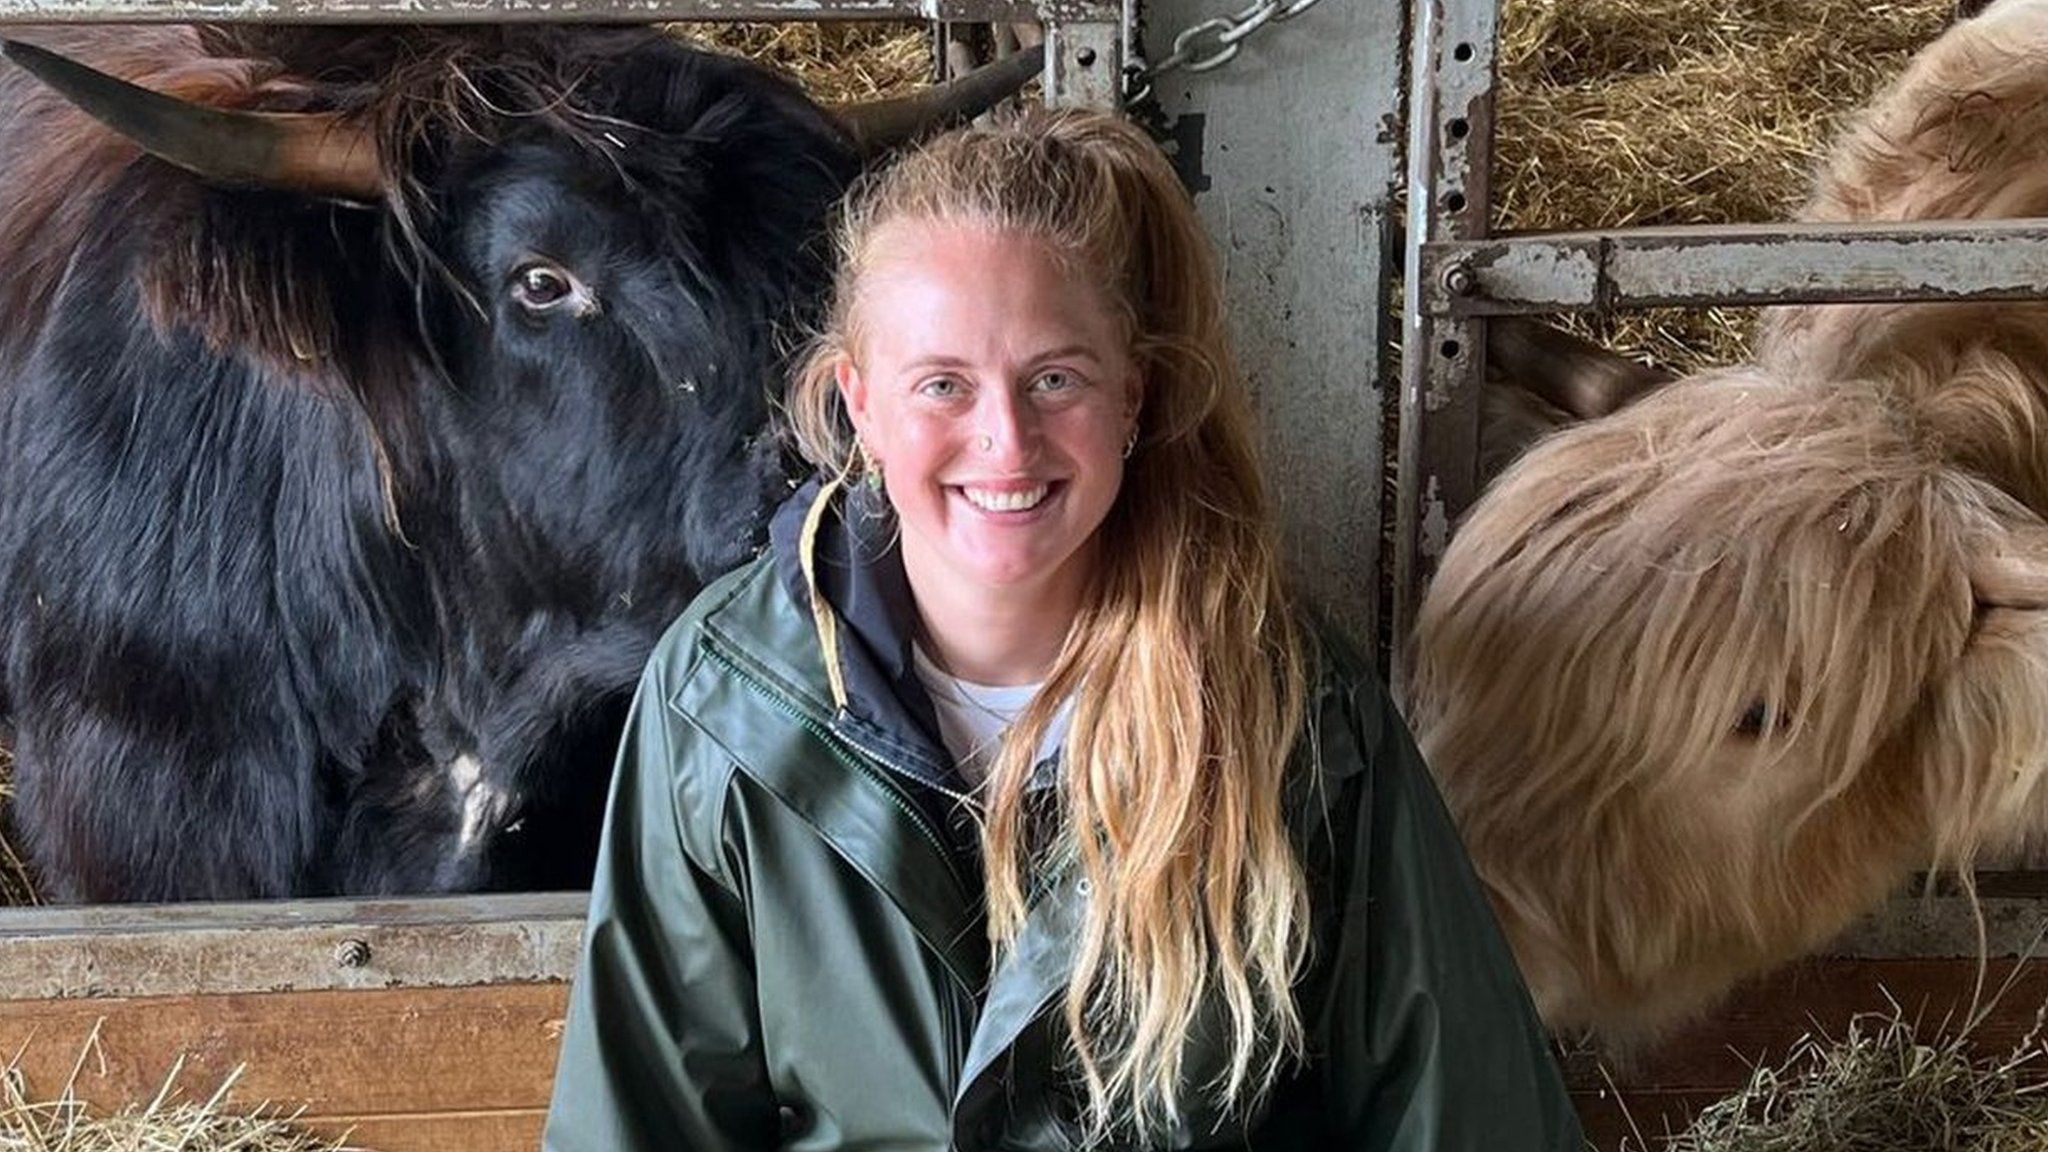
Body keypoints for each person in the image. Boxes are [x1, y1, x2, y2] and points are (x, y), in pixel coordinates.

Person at [542, 108, 1582, 1151]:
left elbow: (1459, 1111)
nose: (1004, 440)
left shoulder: (1288, 712)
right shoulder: (723, 705)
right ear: (858, 406)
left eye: (1054, 380)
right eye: (941, 384)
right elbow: (644, 1116)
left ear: (1130, 396)